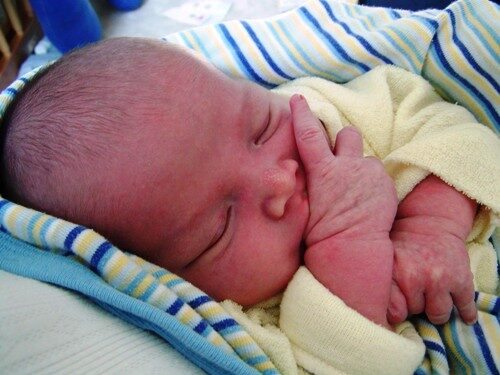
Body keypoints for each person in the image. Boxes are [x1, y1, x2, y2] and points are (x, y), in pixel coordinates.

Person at [1, 37, 498, 374]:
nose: (279, 181)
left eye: (260, 128)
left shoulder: (328, 110)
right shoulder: (239, 326)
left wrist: (432, 224)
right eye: (220, 226)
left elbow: (454, 127)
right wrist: (347, 243)